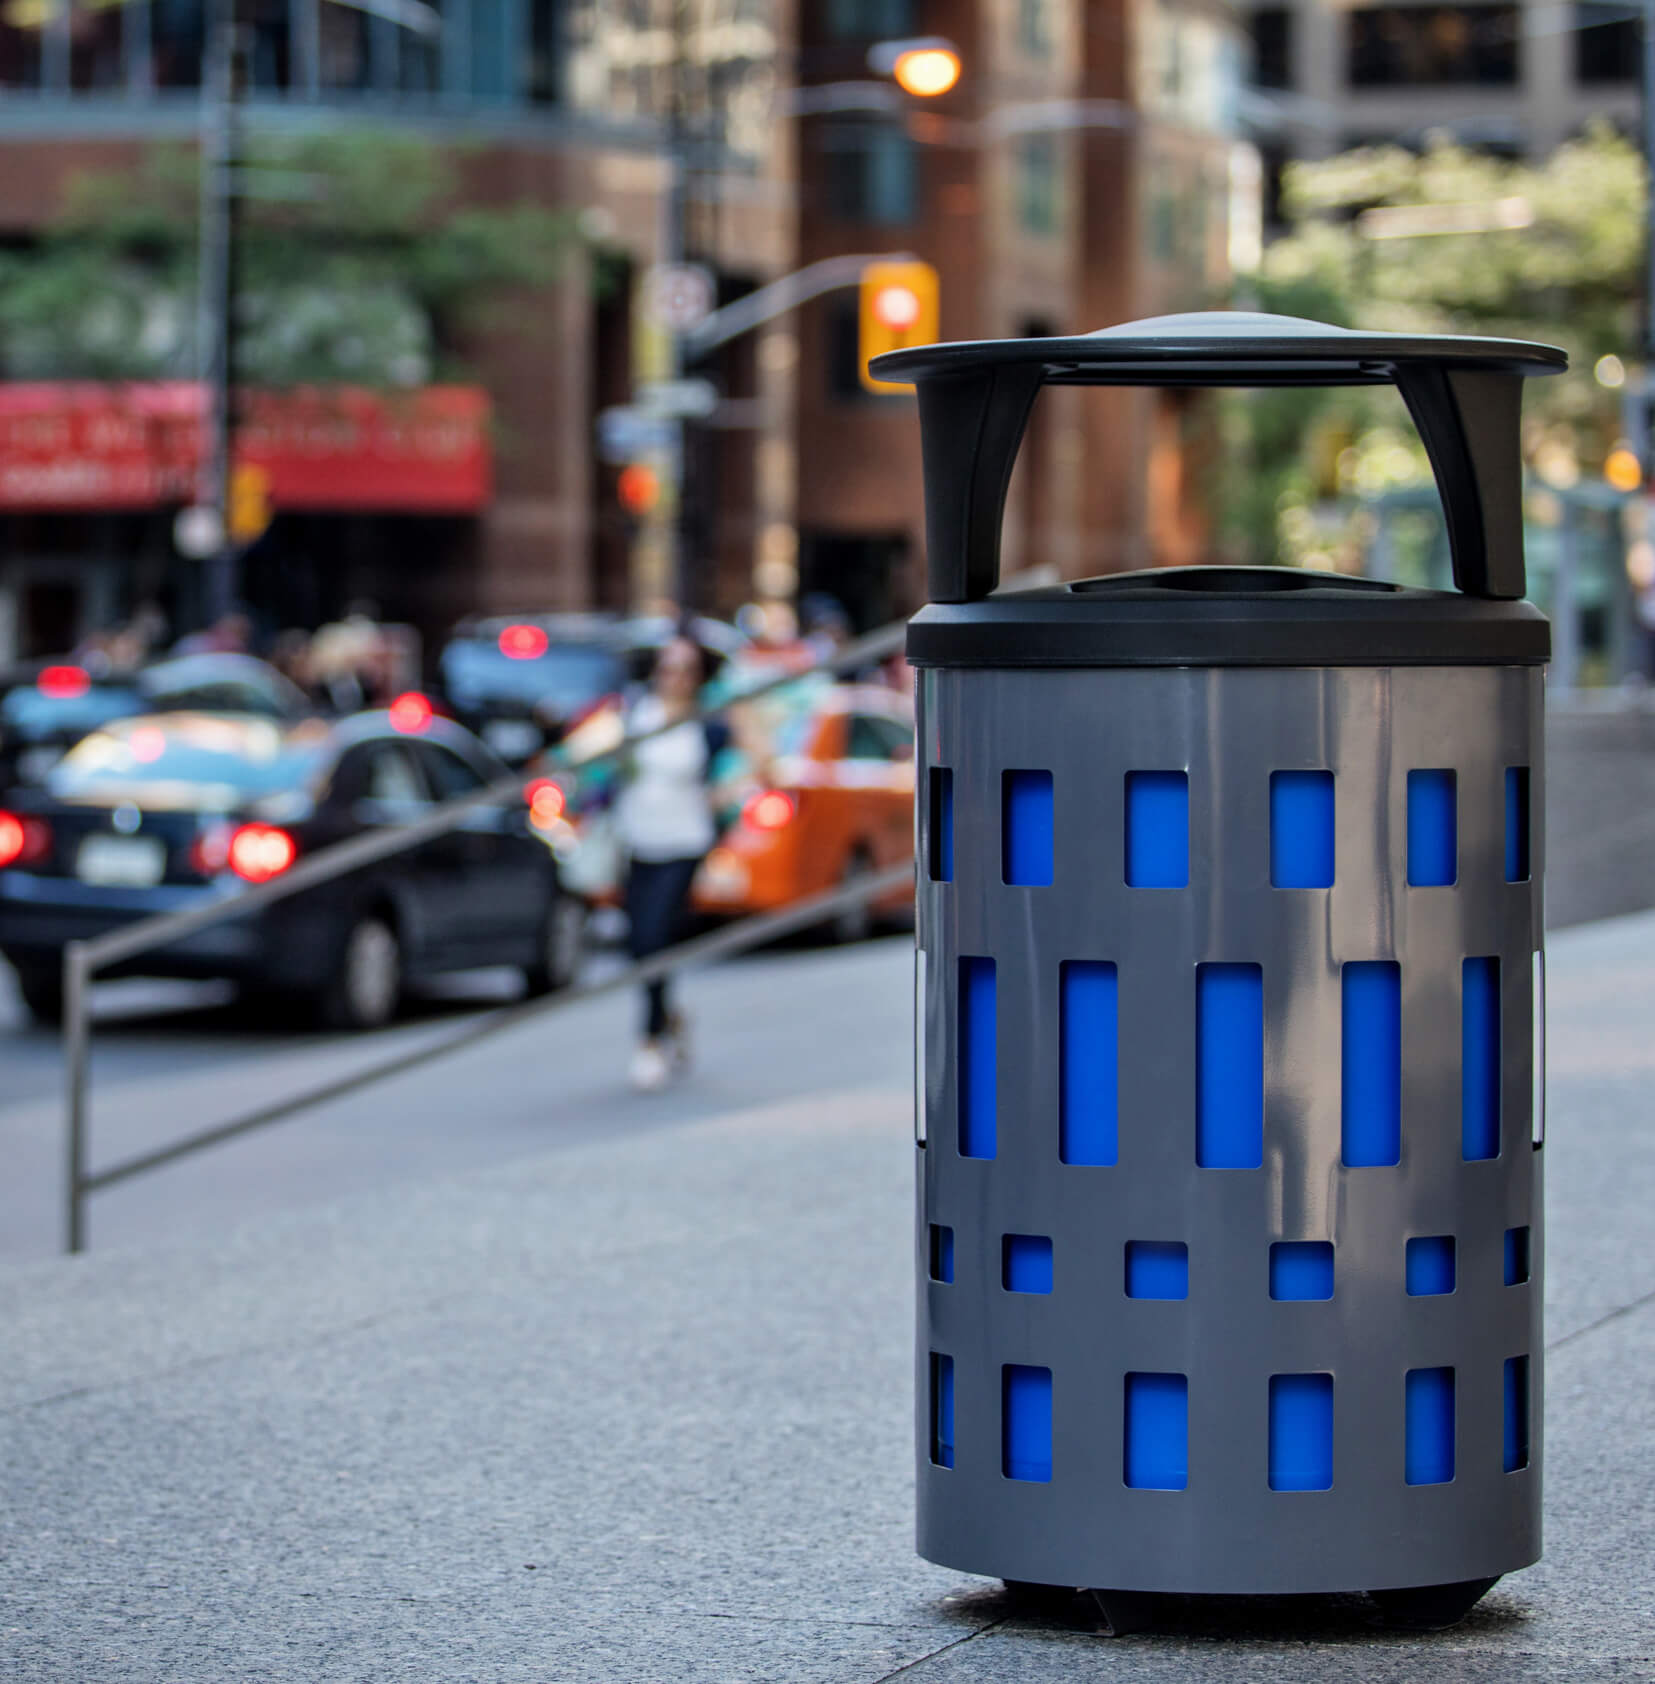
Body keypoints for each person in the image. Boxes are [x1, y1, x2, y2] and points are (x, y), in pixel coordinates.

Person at [615, 633, 727, 1092]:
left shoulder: (708, 722)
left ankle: (649, 1040)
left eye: (685, 669)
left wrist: (725, 794)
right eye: (667, 666)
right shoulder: (634, 711)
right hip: (637, 837)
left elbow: (754, 762)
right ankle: (671, 1016)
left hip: (684, 841)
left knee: (655, 937)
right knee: (637, 942)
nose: (674, 677)